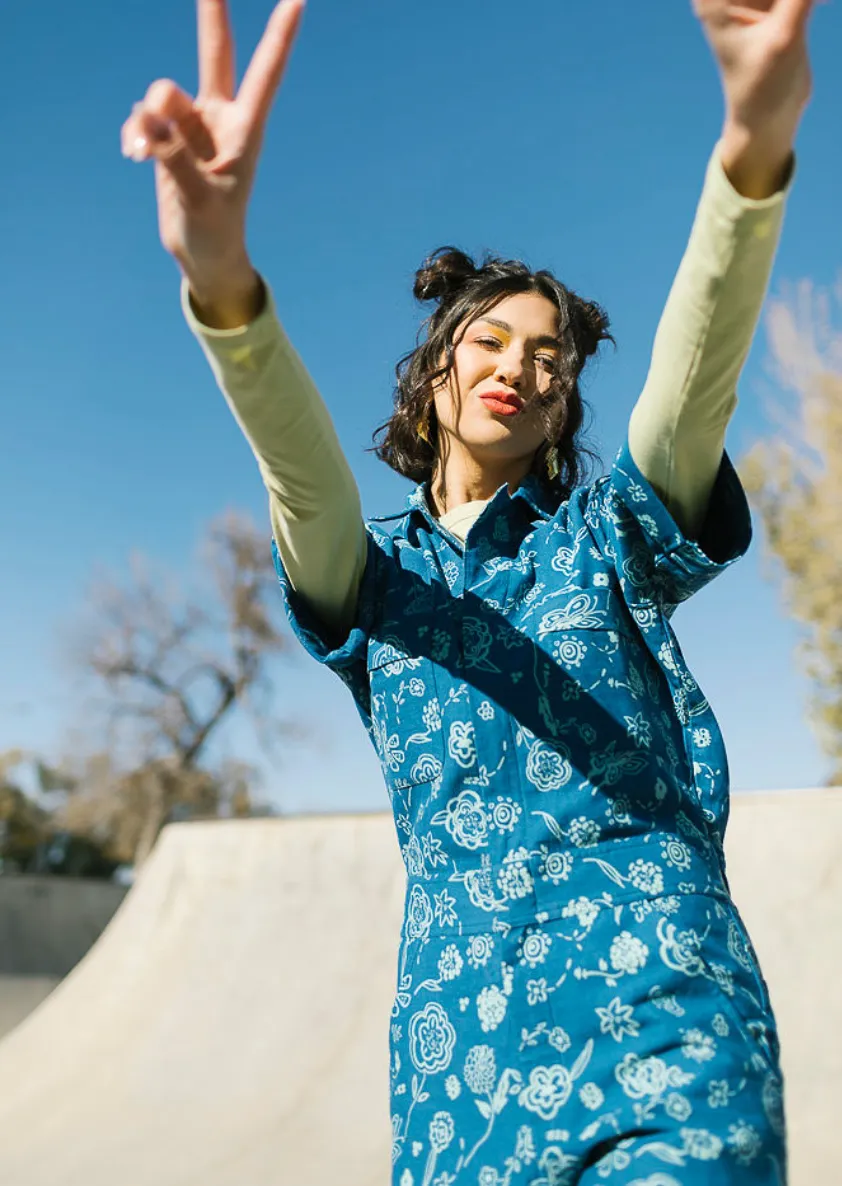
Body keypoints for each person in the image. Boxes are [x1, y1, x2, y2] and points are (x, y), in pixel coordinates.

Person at [121, 1, 816, 1181]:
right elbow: (302, 480)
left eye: (550, 356)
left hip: (665, 1025)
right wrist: (225, 286)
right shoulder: (374, 582)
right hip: (463, 1071)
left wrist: (749, 151)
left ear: (562, 403)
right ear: (435, 368)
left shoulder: (609, 538)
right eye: (491, 340)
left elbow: (690, 389)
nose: (521, 366)